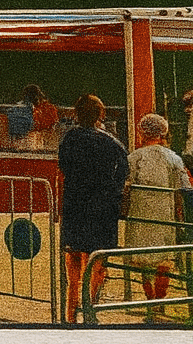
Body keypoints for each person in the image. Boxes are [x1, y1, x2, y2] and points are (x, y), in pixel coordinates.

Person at [58, 93, 129, 323]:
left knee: (74, 260)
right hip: (102, 207)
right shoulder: (111, 143)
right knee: (97, 260)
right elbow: (123, 173)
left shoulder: (69, 139)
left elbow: (64, 166)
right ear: (101, 114)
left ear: (77, 114)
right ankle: (91, 308)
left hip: (74, 204)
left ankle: (71, 310)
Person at [124, 112, 191, 321]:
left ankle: (149, 301)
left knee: (144, 262)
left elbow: (125, 188)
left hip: (140, 214)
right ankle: (160, 303)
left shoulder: (134, 158)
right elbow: (185, 189)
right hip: (165, 216)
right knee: (164, 260)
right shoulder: (173, 158)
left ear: (143, 132)